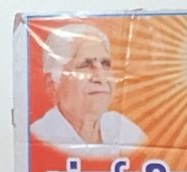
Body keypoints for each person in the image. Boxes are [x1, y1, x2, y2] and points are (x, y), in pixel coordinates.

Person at [29, 22, 146, 158]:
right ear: (53, 83)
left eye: (105, 64)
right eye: (85, 65)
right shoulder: (39, 136)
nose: (101, 78)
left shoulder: (123, 128)